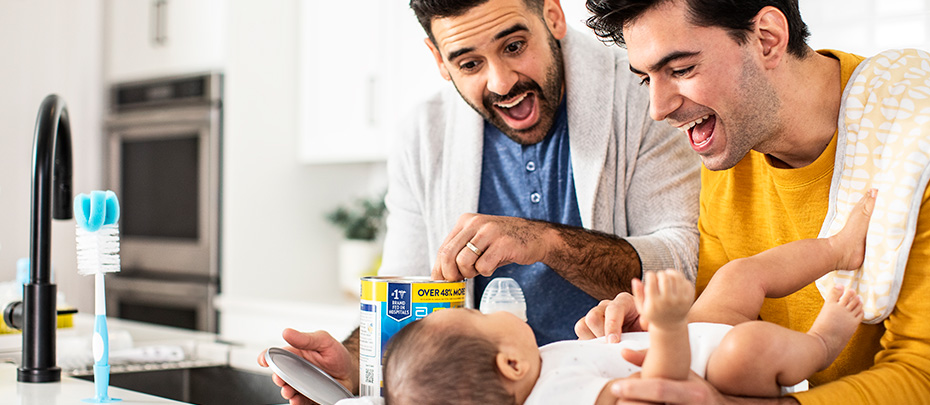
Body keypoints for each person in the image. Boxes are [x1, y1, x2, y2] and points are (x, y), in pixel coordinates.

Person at [259, 0, 700, 402]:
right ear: (439, 60)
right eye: (469, 63)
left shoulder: (642, 91)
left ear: (552, 15)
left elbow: (684, 264)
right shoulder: (423, 136)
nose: (501, 82)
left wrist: (546, 242)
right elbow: (406, 288)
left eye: (513, 45)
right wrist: (354, 360)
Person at [577, 0, 930, 404]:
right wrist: (667, 331)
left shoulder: (916, 147)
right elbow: (723, 324)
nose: (658, 109)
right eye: (646, 79)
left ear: (767, 39)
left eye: (681, 70)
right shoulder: (729, 160)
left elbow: (922, 375)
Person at [382, 190, 875, 404]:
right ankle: (824, 343)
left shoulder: (538, 366)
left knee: (737, 277)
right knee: (748, 349)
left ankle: (838, 249)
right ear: (509, 365)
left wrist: (619, 332)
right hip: (710, 372)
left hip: (695, 334)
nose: (497, 314)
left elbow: (618, 361)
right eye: (488, 321)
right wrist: (665, 329)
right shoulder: (558, 398)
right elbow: (660, 394)